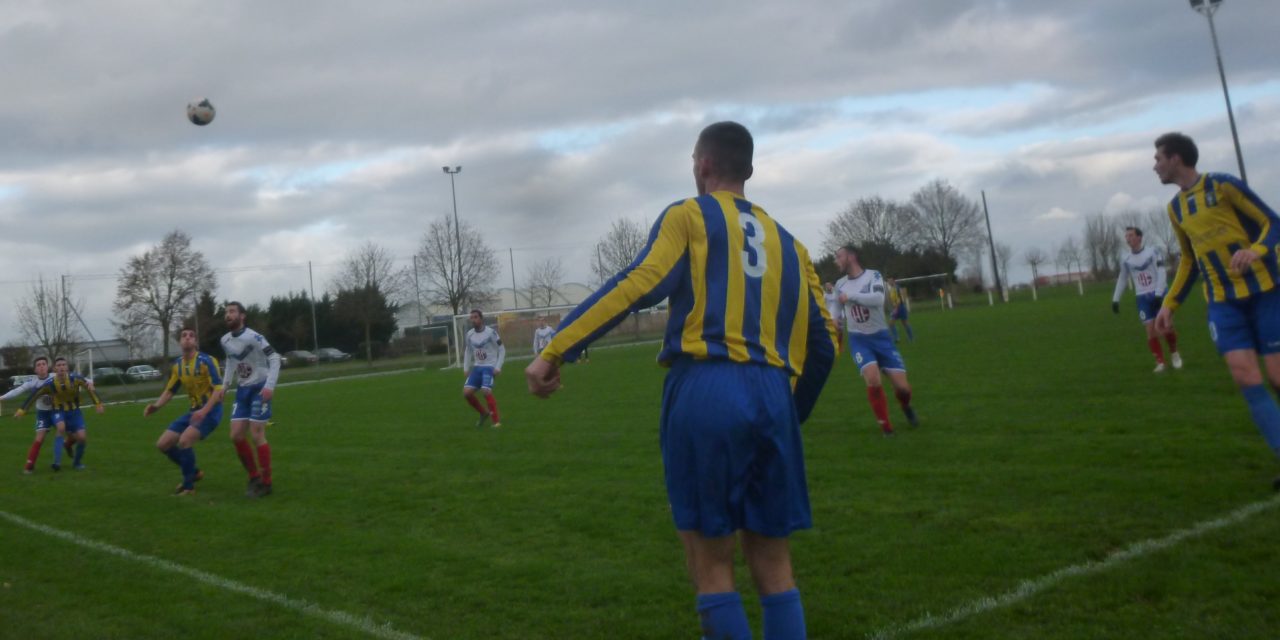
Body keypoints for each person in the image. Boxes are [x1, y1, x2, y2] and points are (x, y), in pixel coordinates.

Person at [526, 121, 836, 639]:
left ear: (702, 165)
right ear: (750, 171)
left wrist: (557, 348)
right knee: (775, 563)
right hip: (773, 393)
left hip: (706, 388)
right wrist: (791, 412)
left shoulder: (689, 216)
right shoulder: (791, 244)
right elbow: (824, 342)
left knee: (711, 563)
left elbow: (638, 284)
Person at [1151, 132, 1280, 492]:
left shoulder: (1223, 186)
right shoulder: (1175, 209)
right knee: (1244, 376)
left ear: (1176, 158)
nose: (1155, 165)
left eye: (1158, 157)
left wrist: (1255, 250)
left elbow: (1274, 222)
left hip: (1266, 292)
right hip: (1222, 301)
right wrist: (1169, 304)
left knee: (1277, 376)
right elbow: (1189, 260)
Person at [835, 246, 918, 436]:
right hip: (859, 341)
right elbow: (837, 310)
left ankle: (906, 406)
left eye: (839, 256)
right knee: (873, 379)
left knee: (903, 388)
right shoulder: (839, 284)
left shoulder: (874, 276)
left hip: (882, 338)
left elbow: (878, 299)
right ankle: (886, 428)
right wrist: (836, 322)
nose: (836, 260)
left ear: (851, 256)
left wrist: (851, 297)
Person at [143, 328, 224, 495]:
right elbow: (170, 390)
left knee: (185, 440)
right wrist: (156, 406)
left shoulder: (206, 361)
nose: (187, 338)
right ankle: (193, 472)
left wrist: (204, 411)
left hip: (211, 411)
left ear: (195, 342)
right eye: (184, 336)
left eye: (191, 336)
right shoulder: (178, 365)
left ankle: (188, 487)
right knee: (163, 444)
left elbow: (219, 390)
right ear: (180, 342)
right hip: (193, 411)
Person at [212, 302, 281, 498]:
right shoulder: (225, 340)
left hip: (259, 388)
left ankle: (266, 483)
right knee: (235, 435)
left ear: (242, 316)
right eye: (226, 312)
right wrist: (225, 386)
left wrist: (269, 386)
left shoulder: (255, 337)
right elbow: (232, 362)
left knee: (257, 434)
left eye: (232, 312)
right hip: (243, 390)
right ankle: (254, 477)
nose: (228, 315)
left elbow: (275, 358)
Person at [14, 356, 103, 470]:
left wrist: (98, 403)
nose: (61, 367)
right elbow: (33, 396)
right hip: (58, 411)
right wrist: (22, 410)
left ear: (67, 367)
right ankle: (56, 463)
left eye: (63, 365)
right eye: (59, 365)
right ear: (55, 369)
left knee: (82, 438)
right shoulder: (50, 383)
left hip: (75, 412)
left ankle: (76, 462)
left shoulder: (75, 379)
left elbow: (89, 386)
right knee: (60, 428)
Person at [1112, 226, 1181, 372]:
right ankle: (1160, 362)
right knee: (1150, 331)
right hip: (1142, 297)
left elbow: (1161, 272)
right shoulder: (1126, 258)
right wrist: (1116, 299)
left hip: (1159, 294)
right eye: (1126, 236)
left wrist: (1158, 293)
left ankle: (1174, 353)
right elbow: (1123, 278)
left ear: (1139, 237)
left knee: (1166, 326)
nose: (1128, 239)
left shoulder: (1153, 252)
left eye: (1131, 235)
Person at [0, 356, 60, 473]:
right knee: (39, 438)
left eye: (43, 364)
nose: (41, 366)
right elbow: (17, 391)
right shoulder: (32, 382)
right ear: (35, 370)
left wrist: (89, 383)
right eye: (38, 365)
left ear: (47, 367)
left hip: (56, 411)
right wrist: (2, 397)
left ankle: (67, 446)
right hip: (43, 414)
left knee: (68, 431)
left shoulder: (55, 376)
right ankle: (29, 465)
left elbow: (74, 379)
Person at [463, 309, 506, 428]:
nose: (473, 320)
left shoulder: (491, 332)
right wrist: (466, 368)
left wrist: (498, 367)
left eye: (475, 317)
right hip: (477, 367)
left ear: (481, 319)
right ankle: (483, 413)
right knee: (466, 393)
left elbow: (502, 350)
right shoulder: (469, 334)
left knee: (485, 391)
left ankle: (496, 422)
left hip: (489, 366)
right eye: (471, 318)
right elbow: (468, 351)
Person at [885, 277, 914, 343]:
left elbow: (899, 299)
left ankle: (910, 338)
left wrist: (896, 308)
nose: (889, 282)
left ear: (893, 281)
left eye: (890, 280)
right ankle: (897, 338)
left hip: (900, 307)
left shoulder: (897, 288)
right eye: (888, 281)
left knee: (904, 323)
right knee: (891, 324)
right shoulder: (892, 289)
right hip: (896, 308)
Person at [822, 282, 844, 349]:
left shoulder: (836, 294)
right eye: (826, 286)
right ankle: (834, 345)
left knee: (841, 332)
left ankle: (839, 344)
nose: (828, 287)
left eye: (829, 285)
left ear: (832, 286)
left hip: (840, 314)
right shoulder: (825, 296)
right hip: (830, 315)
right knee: (835, 328)